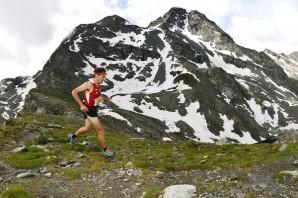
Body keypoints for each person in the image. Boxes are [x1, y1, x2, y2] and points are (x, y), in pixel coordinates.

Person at [68, 67, 114, 157]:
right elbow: (74, 92)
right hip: (89, 110)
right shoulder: (89, 84)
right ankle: (105, 150)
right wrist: (81, 105)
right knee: (101, 130)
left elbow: (97, 95)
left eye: (105, 77)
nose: (104, 79)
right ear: (97, 75)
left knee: (87, 128)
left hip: (93, 109)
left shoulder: (98, 85)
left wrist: (105, 98)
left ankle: (72, 136)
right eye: (103, 76)